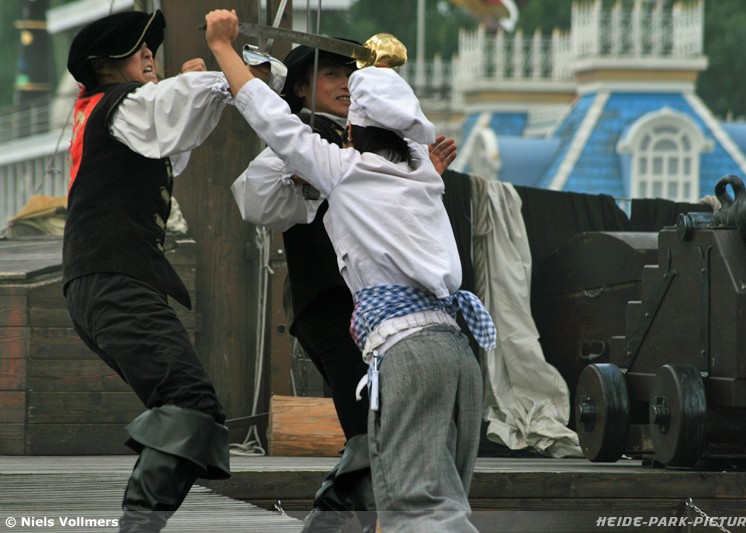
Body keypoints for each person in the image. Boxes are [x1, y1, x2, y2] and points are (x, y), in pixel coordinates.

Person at [206, 9, 495, 532]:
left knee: (417, 504)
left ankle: (334, 518)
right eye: (333, 74)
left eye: (350, 77)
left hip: (404, 346)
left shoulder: (344, 165)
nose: (343, 84)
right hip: (450, 347)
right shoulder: (420, 174)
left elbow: (268, 117)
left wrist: (223, 48)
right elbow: (263, 194)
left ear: (357, 126)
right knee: (440, 498)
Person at [63, 10, 233, 532]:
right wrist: (228, 63)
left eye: (149, 47)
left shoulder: (112, 113)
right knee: (191, 403)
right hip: (114, 281)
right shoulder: (121, 106)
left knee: (186, 402)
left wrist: (201, 85)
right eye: (135, 48)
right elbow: (170, 109)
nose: (148, 54)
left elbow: (175, 133)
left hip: (104, 283)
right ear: (103, 67)